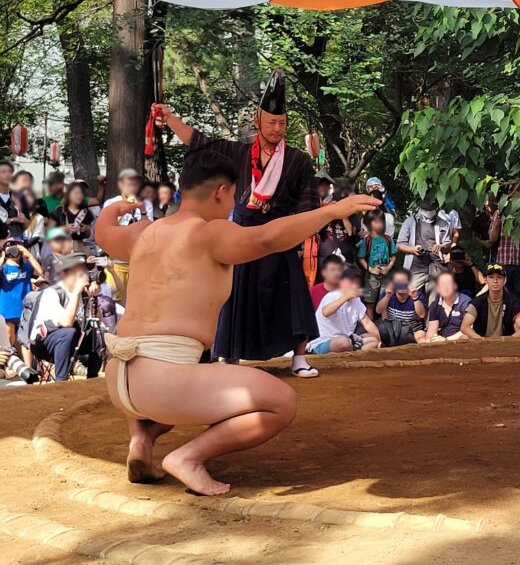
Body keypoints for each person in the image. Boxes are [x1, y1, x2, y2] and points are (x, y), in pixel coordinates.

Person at [94, 148, 380, 495]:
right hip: (163, 384)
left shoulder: (142, 233)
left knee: (178, 382)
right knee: (281, 402)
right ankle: (188, 457)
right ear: (222, 192)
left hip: (119, 380)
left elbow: (102, 232)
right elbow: (267, 237)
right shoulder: (209, 233)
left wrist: (115, 209)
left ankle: (141, 439)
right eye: (233, 195)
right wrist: (333, 210)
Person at [153, 71, 330, 378]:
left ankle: (300, 358)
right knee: (234, 294)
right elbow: (199, 143)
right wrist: (170, 118)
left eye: (282, 123)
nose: (276, 129)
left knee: (293, 294)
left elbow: (305, 202)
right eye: (271, 122)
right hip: (243, 233)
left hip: (279, 233)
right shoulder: (237, 152)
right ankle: (229, 358)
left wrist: (302, 240)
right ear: (257, 121)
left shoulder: (299, 160)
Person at [28, 253, 105, 381]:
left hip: (71, 339)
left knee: (98, 332)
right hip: (43, 343)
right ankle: (61, 381)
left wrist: (93, 297)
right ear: (65, 274)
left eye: (85, 271)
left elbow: (98, 321)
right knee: (68, 332)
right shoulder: (52, 293)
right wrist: (76, 293)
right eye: (80, 272)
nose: (85, 276)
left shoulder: (83, 294)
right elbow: (66, 323)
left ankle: (92, 378)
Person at [101, 168, 155, 303]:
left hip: (137, 260)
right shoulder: (111, 203)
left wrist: (142, 210)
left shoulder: (145, 203)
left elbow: (148, 230)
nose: (133, 187)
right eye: (129, 183)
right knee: (114, 300)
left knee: (137, 300)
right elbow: (106, 230)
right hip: (116, 261)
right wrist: (124, 209)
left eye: (135, 184)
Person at [308, 266, 381, 354]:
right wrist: (346, 297)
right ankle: (354, 349)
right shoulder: (332, 296)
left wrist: (379, 339)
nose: (354, 286)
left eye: (356, 283)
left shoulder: (356, 301)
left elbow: (367, 322)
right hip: (323, 341)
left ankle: (355, 350)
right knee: (343, 343)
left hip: (348, 339)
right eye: (351, 282)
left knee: (374, 339)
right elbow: (326, 312)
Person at [396, 198, 456, 295]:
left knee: (435, 300)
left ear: (435, 209)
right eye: (425, 210)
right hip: (415, 267)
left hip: (436, 266)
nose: (428, 212)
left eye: (430, 210)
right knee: (407, 295)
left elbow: (447, 248)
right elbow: (399, 245)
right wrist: (412, 250)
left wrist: (441, 247)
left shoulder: (443, 224)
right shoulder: (410, 222)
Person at [463, 263, 520, 339]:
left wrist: (509, 341)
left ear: (504, 280)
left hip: (506, 343)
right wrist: (481, 340)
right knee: (464, 337)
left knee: (517, 327)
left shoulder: (514, 301)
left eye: (499, 277)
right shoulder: (477, 302)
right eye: (491, 277)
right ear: (485, 280)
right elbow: (464, 327)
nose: (495, 281)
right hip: (482, 342)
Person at [1, 242, 41, 347]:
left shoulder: (26, 267)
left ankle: (26, 363)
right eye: (9, 248)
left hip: (24, 309)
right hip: (7, 311)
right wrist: (2, 258)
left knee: (25, 342)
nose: (13, 251)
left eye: (16, 247)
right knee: (9, 340)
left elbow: (40, 272)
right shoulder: (3, 269)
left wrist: (29, 255)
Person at [376, 269, 428, 345]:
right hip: (393, 332)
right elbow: (378, 310)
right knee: (376, 334)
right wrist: (387, 296)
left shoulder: (417, 295)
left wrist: (415, 298)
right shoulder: (388, 293)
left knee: (421, 334)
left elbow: (422, 315)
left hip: (412, 332)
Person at [356, 211, 396, 307]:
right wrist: (370, 269)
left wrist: (388, 268)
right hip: (370, 277)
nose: (379, 224)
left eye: (381, 221)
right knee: (368, 302)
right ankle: (370, 321)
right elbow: (360, 258)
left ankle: (383, 321)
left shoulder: (388, 239)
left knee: (385, 300)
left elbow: (393, 256)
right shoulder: (367, 239)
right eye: (375, 222)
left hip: (386, 275)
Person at [424, 272, 470, 342]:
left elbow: (469, 329)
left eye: (448, 283)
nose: (445, 287)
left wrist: (446, 340)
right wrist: (430, 341)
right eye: (442, 284)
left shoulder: (465, 302)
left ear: (455, 285)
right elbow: (432, 331)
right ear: (437, 289)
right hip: (442, 342)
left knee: (465, 337)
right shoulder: (435, 305)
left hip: (460, 341)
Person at [51, 181, 94, 254]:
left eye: (81, 193)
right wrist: (64, 228)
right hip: (62, 250)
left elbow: (88, 235)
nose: (80, 196)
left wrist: (86, 229)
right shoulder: (58, 212)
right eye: (76, 193)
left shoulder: (86, 212)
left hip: (80, 251)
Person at [0, 160, 31, 240]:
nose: (7, 174)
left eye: (10, 172)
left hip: (17, 243)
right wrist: (10, 220)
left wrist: (24, 220)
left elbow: (28, 225)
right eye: (3, 172)